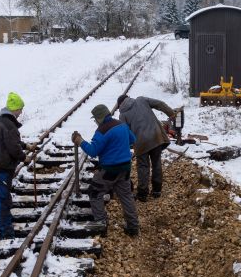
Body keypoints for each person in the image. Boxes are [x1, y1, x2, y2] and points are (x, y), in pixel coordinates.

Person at [72, 104, 139, 236]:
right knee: (126, 196)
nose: (95, 122)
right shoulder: (122, 125)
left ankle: (101, 225)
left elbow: (93, 151)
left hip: (109, 170)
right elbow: (133, 139)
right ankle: (133, 227)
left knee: (94, 193)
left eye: (95, 119)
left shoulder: (102, 131)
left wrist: (80, 141)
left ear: (99, 118)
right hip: (125, 168)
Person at [116, 94, 178, 201]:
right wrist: (171, 113)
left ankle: (143, 194)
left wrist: (127, 146)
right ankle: (157, 190)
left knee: (143, 167)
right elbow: (159, 104)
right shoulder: (141, 100)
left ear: (120, 104)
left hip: (140, 142)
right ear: (128, 97)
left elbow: (124, 133)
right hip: (156, 136)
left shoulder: (122, 115)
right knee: (156, 163)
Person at [0, 92, 27, 239]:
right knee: (4, 198)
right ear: (15, 109)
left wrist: (24, 144)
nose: (21, 112)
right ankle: (6, 232)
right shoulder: (10, 125)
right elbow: (13, 148)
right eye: (20, 109)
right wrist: (24, 157)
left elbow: (8, 141)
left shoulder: (1, 121)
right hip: (3, 166)